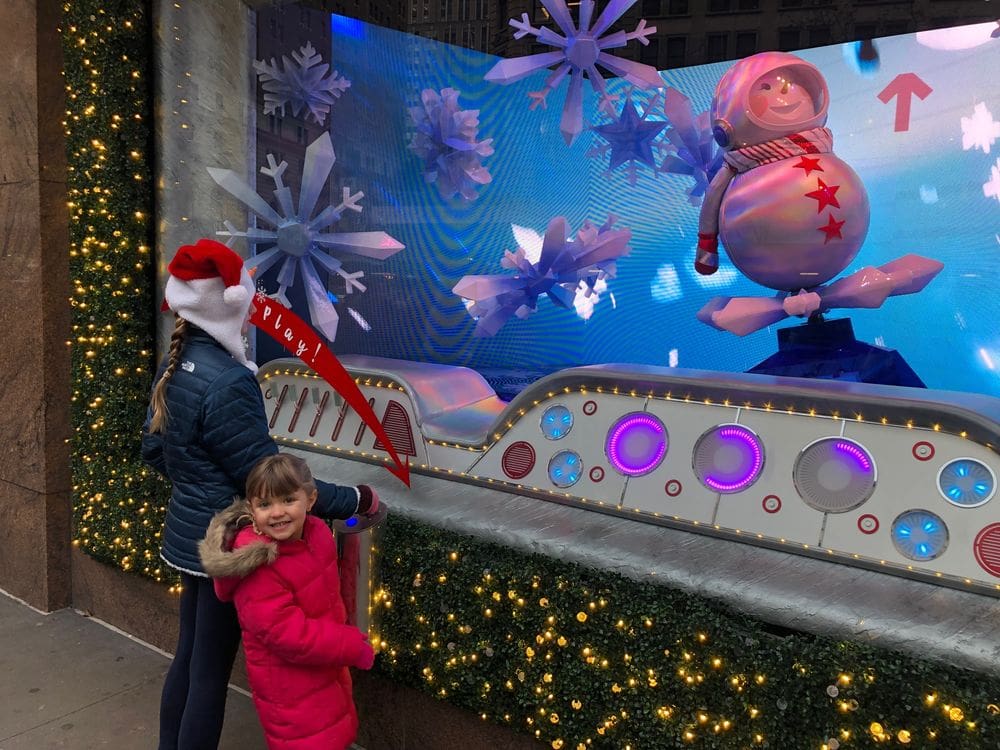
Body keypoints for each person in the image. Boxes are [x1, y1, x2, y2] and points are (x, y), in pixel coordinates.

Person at [141, 237, 380, 749]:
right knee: (208, 675)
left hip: (189, 537)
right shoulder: (228, 381)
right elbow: (271, 482)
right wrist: (357, 500)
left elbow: (154, 451)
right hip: (228, 550)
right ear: (226, 307)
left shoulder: (176, 363)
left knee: (189, 659)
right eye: (248, 306)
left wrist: (198, 483)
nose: (252, 317)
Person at [199, 454, 375, 750]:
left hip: (324, 670)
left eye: (288, 500)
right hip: (289, 687)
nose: (277, 512)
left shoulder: (316, 533)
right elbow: (287, 634)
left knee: (333, 733)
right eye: (265, 504)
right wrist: (350, 645)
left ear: (310, 499)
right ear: (252, 508)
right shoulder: (258, 563)